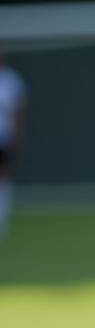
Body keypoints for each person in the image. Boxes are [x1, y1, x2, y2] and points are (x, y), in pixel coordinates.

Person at [0, 53, 27, 238]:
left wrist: (17, 136)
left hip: (4, 137)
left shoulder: (11, 80)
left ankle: (2, 218)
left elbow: (17, 112)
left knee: (3, 178)